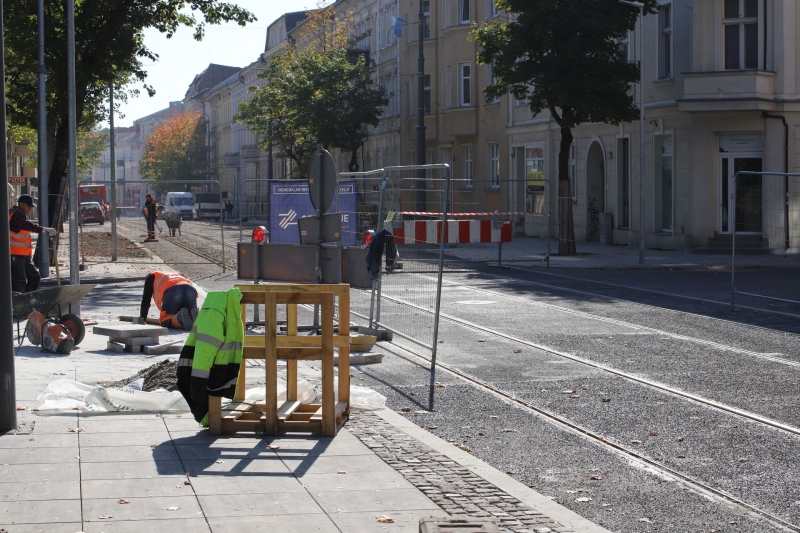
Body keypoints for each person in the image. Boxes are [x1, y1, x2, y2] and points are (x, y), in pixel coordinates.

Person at [9, 194, 56, 294]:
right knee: (19, 282)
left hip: (24, 255)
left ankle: (27, 298)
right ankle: (18, 301)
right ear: (21, 204)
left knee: (34, 277)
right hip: (16, 255)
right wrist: (44, 229)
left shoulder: (20, 215)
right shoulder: (16, 214)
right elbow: (26, 225)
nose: (30, 209)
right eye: (28, 206)